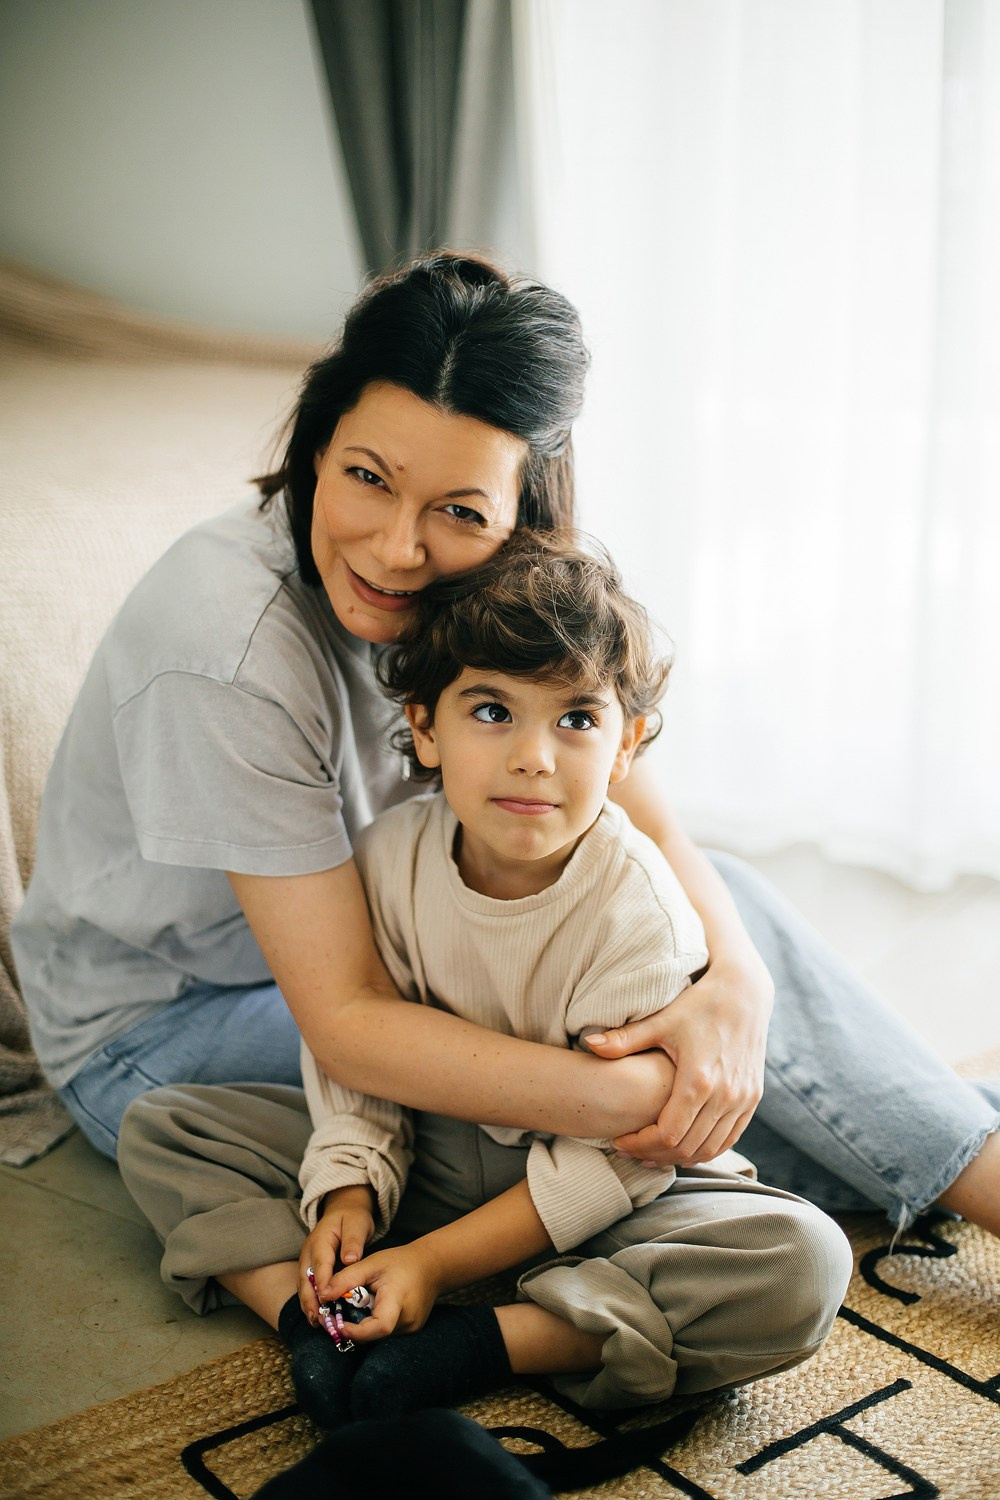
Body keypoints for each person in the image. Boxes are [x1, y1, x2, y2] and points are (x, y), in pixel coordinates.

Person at [11, 252, 997, 1339]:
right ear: (317, 443)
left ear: (521, 509)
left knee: (714, 938)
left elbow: (636, 816)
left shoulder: (492, 574)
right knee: (683, 1089)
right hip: (173, 1025)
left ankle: (956, 1156)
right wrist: (643, 1096)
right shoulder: (230, 649)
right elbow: (345, 1024)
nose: (396, 549)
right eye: (367, 478)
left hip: (408, 956)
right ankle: (961, 1160)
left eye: (459, 510)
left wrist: (740, 994)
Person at [282, 530, 851, 1427]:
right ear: (425, 728)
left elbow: (624, 1156)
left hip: (603, 1193)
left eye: (577, 720)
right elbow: (364, 1057)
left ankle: (492, 1340)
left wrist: (435, 1262)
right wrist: (351, 1185)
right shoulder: (388, 857)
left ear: (627, 749)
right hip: (432, 1154)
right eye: (493, 712)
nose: (534, 758)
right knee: (173, 1126)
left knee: (800, 1262)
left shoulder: (640, 911)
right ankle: (317, 1308)